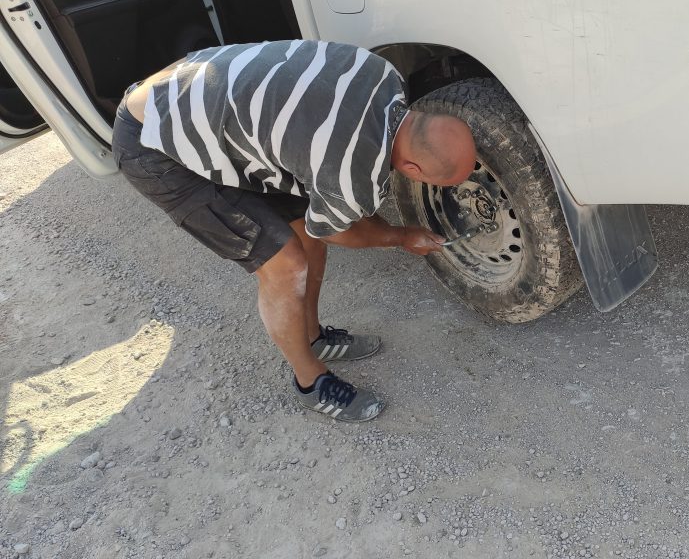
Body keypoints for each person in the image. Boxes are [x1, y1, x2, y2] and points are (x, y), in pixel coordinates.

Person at [111, 40, 477, 422]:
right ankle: (310, 382)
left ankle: (313, 336)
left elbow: (321, 226)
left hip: (196, 92)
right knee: (286, 265)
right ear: (414, 170)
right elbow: (340, 231)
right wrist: (401, 237)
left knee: (307, 235)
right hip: (155, 142)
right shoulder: (352, 171)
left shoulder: (384, 75)